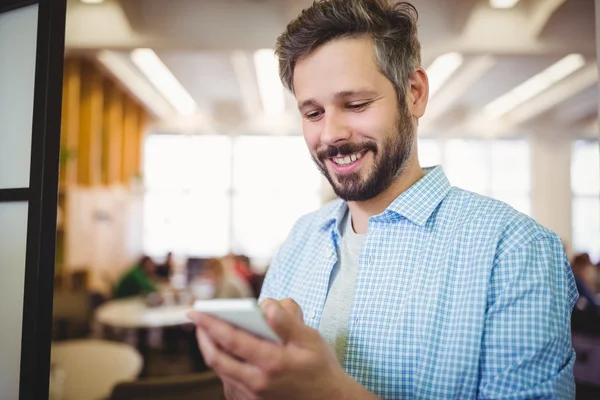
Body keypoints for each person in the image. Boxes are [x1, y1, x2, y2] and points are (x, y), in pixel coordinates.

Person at [187, 1, 578, 398]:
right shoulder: (300, 241)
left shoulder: (514, 250)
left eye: (355, 104)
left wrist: (331, 392)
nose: (330, 134)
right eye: (313, 113)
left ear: (414, 94)